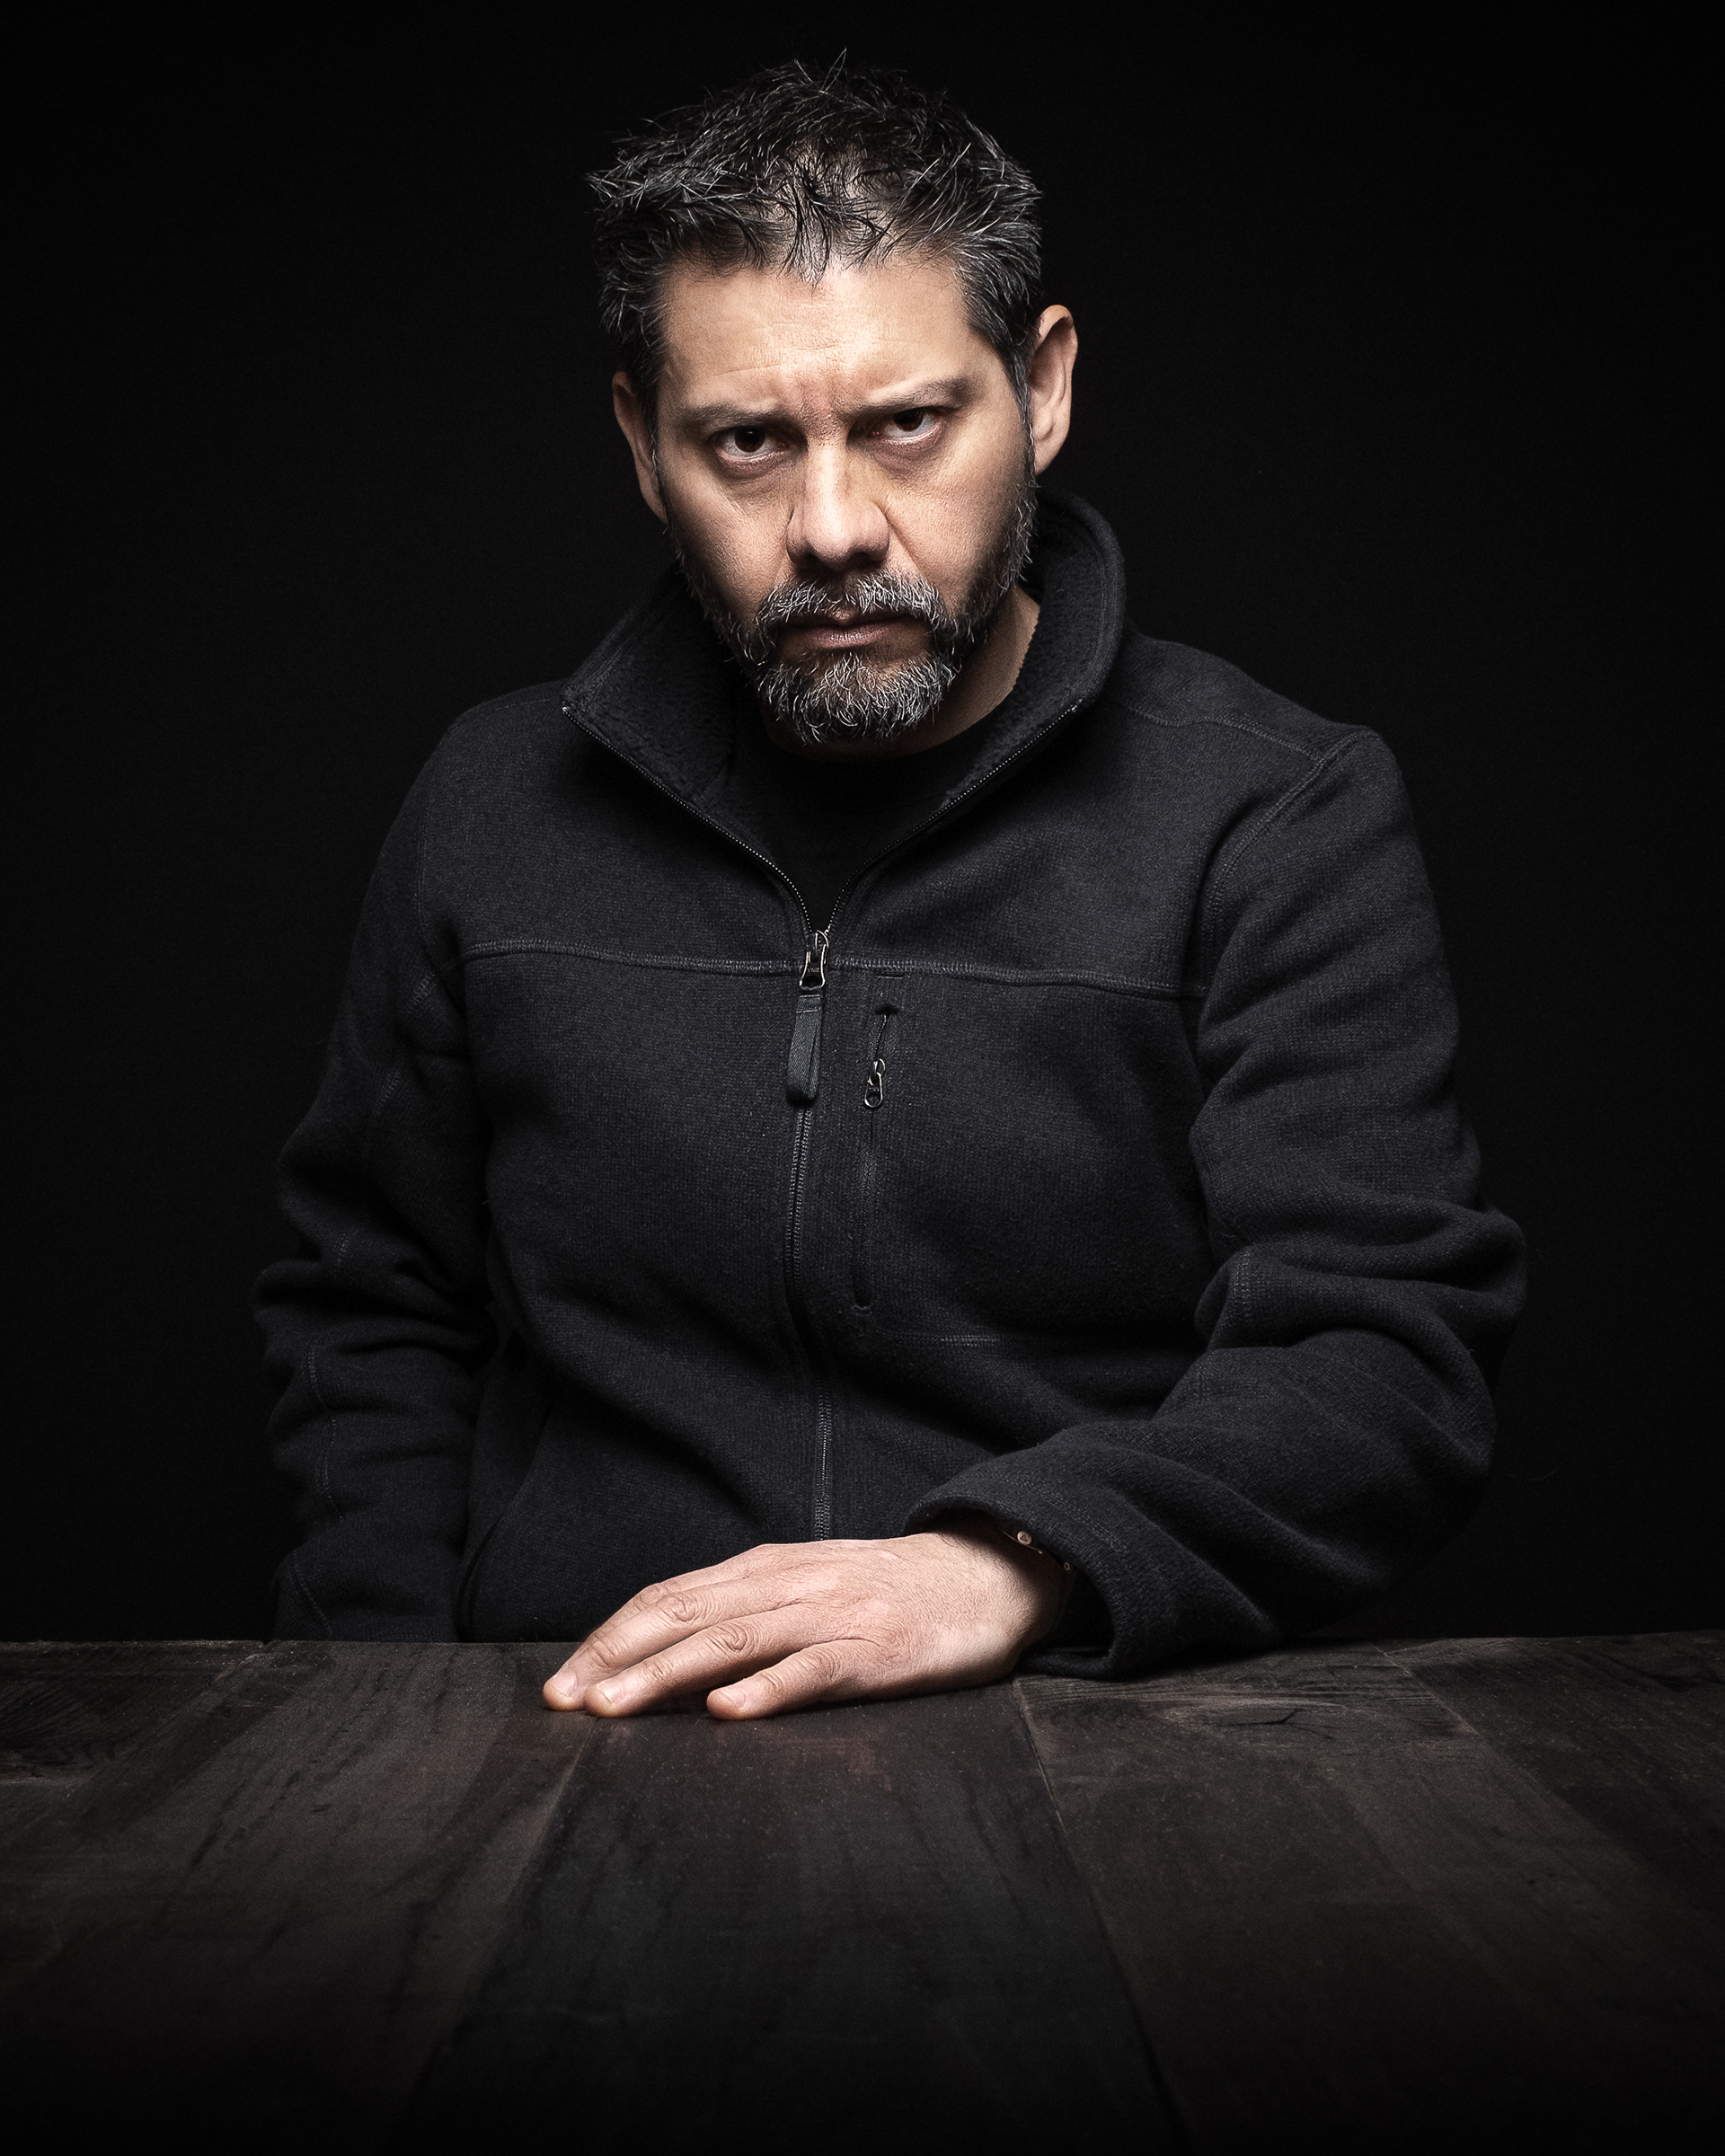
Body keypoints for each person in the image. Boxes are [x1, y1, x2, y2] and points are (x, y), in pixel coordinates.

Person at [257, 59, 1525, 1720]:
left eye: (907, 425)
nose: (834, 526)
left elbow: (1380, 1362)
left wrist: (1005, 1566)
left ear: (1042, 390)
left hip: (1101, 1722)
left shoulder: (1276, 814)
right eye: (748, 444)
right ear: (642, 446)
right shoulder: (491, 805)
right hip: (576, 1720)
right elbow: (368, 1320)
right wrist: (377, 1720)